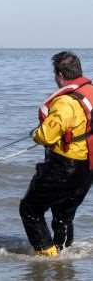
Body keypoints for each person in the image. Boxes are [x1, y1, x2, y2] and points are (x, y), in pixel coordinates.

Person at [20, 51, 93, 257]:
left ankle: (48, 255)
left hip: (65, 166)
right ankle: (64, 254)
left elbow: (46, 136)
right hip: (88, 167)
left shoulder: (65, 103)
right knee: (64, 215)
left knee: (29, 210)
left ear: (60, 75)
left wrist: (36, 134)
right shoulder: (90, 91)